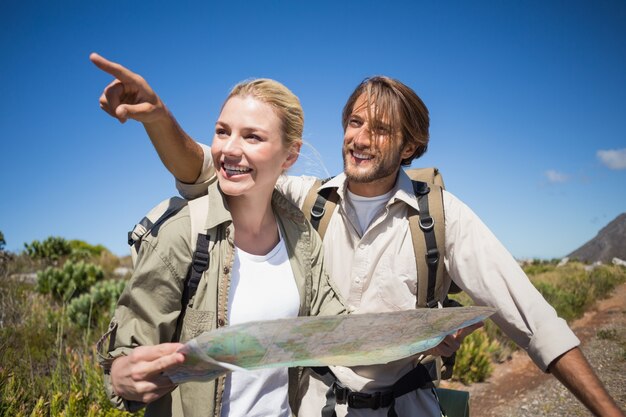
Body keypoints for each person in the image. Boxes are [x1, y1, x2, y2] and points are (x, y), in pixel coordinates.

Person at [94, 56, 624, 417]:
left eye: (380, 129)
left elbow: (532, 320)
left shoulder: (442, 217)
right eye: (353, 122)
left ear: (410, 144)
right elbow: (215, 166)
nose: (359, 139)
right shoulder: (303, 198)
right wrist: (158, 119)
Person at [91, 53, 346, 417]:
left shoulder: (301, 238)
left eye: (252, 136)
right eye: (222, 131)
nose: (228, 149)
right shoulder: (184, 233)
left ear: (290, 155)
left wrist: (425, 337)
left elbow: (340, 329)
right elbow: (126, 356)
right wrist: (121, 375)